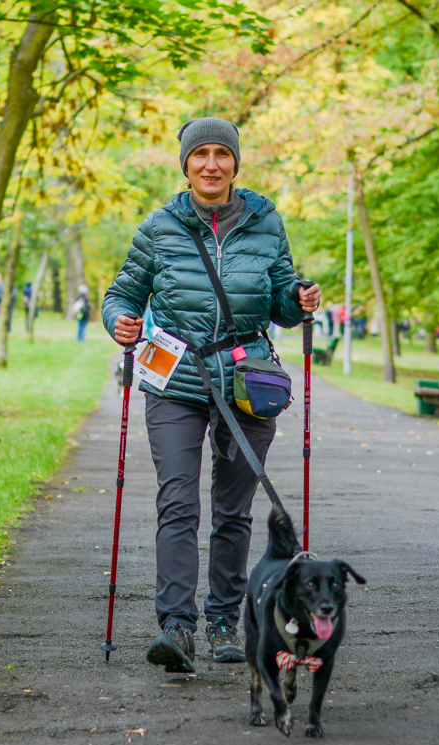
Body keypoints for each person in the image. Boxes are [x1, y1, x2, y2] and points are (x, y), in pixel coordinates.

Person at [102, 116, 321, 673]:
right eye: (200, 154)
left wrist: (298, 300)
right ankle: (177, 627)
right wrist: (121, 320)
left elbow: (279, 301)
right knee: (177, 502)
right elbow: (122, 292)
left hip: (246, 382)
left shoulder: (265, 222)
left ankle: (225, 619)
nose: (211, 164)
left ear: (234, 164)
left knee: (234, 509)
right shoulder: (160, 226)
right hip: (175, 379)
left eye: (222, 154)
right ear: (186, 163)